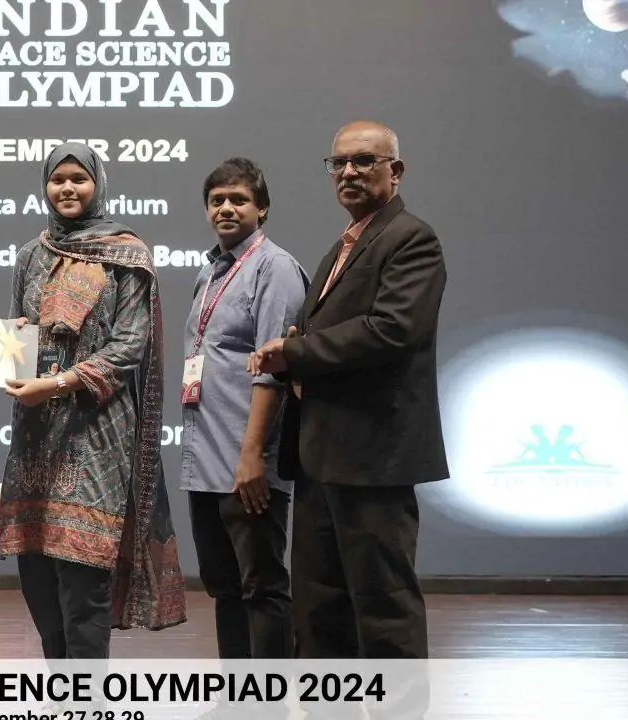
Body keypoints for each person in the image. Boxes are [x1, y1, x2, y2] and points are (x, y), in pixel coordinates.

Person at [249, 121, 449, 660]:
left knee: (383, 607)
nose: (348, 172)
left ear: (395, 171)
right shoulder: (343, 245)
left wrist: (296, 352)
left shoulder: (411, 238)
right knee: (318, 607)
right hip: (322, 456)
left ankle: (399, 705)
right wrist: (297, 346)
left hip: (373, 457)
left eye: (364, 161)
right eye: (338, 163)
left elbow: (393, 329)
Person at [0, 142, 187, 662]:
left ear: (97, 184)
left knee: (84, 581)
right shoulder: (30, 255)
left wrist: (61, 383)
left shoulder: (127, 254)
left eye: (78, 178)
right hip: (37, 435)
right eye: (57, 179)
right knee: (38, 575)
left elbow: (128, 346)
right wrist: (2, 339)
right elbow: (18, 331)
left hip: (98, 434)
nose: (67, 188)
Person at [180, 158, 308, 668]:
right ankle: (237, 697)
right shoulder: (210, 270)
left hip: (248, 462)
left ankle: (268, 700)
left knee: (262, 587)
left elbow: (273, 369)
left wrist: (252, 455)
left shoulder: (275, 269)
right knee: (225, 586)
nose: (227, 208)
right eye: (217, 201)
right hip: (206, 460)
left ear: (263, 209)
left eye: (239, 200)